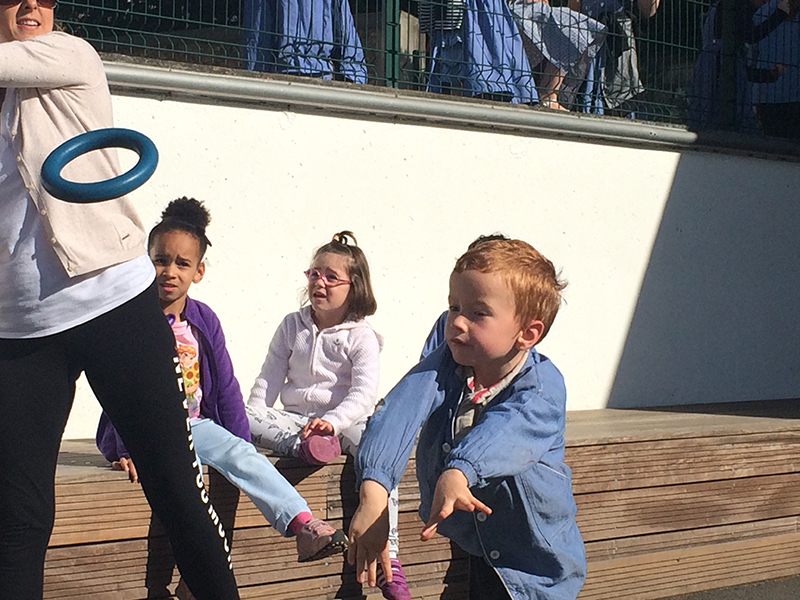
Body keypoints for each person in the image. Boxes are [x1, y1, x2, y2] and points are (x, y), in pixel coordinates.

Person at [0, 4, 240, 600]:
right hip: (21, 329)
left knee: (176, 490)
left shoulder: (68, 54)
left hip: (112, 304)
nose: (31, 5)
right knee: (18, 516)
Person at [95, 198, 349, 591]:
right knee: (182, 495)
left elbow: (225, 384)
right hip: (150, 432)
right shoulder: (133, 320)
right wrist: (122, 447)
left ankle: (304, 525)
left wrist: (240, 439)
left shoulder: (204, 320)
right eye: (160, 260)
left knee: (240, 459)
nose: (169, 271)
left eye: (182, 264)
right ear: (145, 262)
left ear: (198, 271)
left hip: (196, 426)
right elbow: (116, 389)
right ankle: (185, 583)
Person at [348, 238, 586, 600]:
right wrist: (374, 492)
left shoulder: (542, 388)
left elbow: (506, 430)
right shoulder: (451, 363)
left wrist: (460, 470)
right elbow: (399, 410)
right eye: (454, 306)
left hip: (536, 563)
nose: (457, 321)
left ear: (527, 334)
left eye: (478, 313)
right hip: (480, 544)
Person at [246, 232, 410, 600]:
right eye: (314, 274)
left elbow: (363, 394)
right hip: (298, 424)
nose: (319, 282)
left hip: (346, 422)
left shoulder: (362, 336)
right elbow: (269, 378)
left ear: (355, 286)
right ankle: (306, 447)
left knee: (379, 454)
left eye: (331, 277)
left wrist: (333, 422)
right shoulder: (292, 325)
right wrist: (253, 421)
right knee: (239, 415)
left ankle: (391, 558)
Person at [243, 0, 367, 83]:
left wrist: (255, 72)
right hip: (316, 68)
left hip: (288, 68)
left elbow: (258, 29)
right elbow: (343, 23)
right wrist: (355, 72)